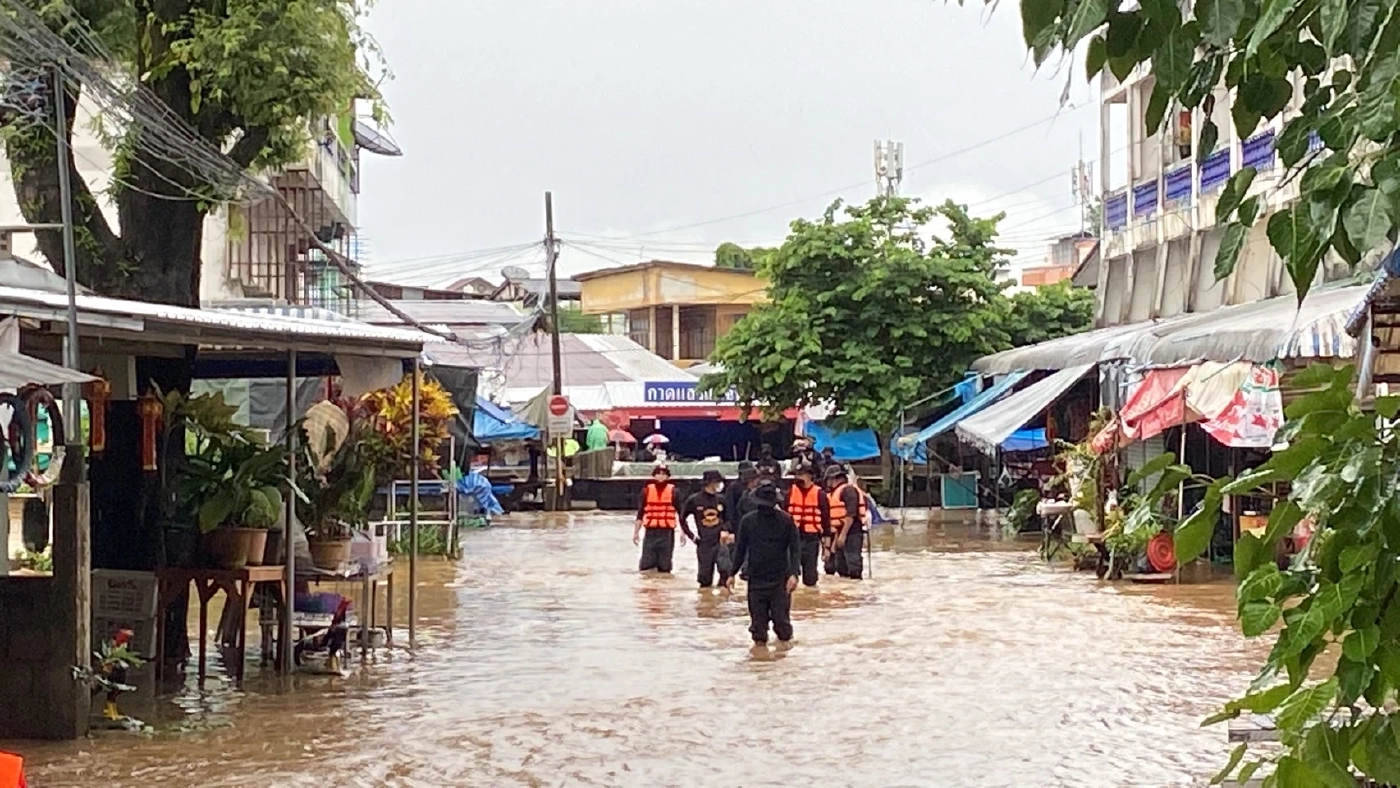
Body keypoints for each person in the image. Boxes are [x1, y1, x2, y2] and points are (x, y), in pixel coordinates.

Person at [728, 480, 800, 645]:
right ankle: (761, 661)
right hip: (756, 580)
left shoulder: (786, 521)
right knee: (758, 628)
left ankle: (782, 657)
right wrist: (732, 573)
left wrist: (794, 574)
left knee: (782, 625)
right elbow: (740, 549)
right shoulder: (748, 521)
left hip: (780, 580)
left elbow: (795, 549)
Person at [680, 469, 729, 588]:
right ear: (710, 483)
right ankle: (705, 600)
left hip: (720, 542)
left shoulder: (721, 499)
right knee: (705, 578)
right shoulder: (694, 500)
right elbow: (682, 519)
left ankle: (721, 601)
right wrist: (692, 536)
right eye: (717, 482)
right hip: (704, 543)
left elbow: (728, 519)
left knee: (725, 571)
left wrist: (725, 530)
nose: (719, 485)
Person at [786, 461, 830, 587]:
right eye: (797, 475)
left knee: (810, 577)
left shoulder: (820, 494)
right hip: (792, 538)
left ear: (810, 476)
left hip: (811, 539)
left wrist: (826, 547)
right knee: (788, 572)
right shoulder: (790, 493)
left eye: (802, 474)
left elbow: (826, 521)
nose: (798, 478)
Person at [634, 464, 683, 572]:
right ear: (654, 476)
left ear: (668, 477)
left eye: (663, 474)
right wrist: (636, 533)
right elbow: (640, 514)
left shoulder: (674, 492)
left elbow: (681, 514)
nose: (661, 476)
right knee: (646, 566)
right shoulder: (646, 491)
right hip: (650, 532)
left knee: (665, 566)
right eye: (658, 474)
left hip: (667, 533)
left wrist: (683, 533)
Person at [823, 464, 867, 579]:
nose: (827, 483)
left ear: (834, 478)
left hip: (852, 532)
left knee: (852, 562)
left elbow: (850, 515)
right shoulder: (834, 493)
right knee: (840, 565)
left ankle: (855, 589)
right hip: (839, 533)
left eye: (828, 479)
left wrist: (843, 535)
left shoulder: (848, 490)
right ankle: (845, 593)